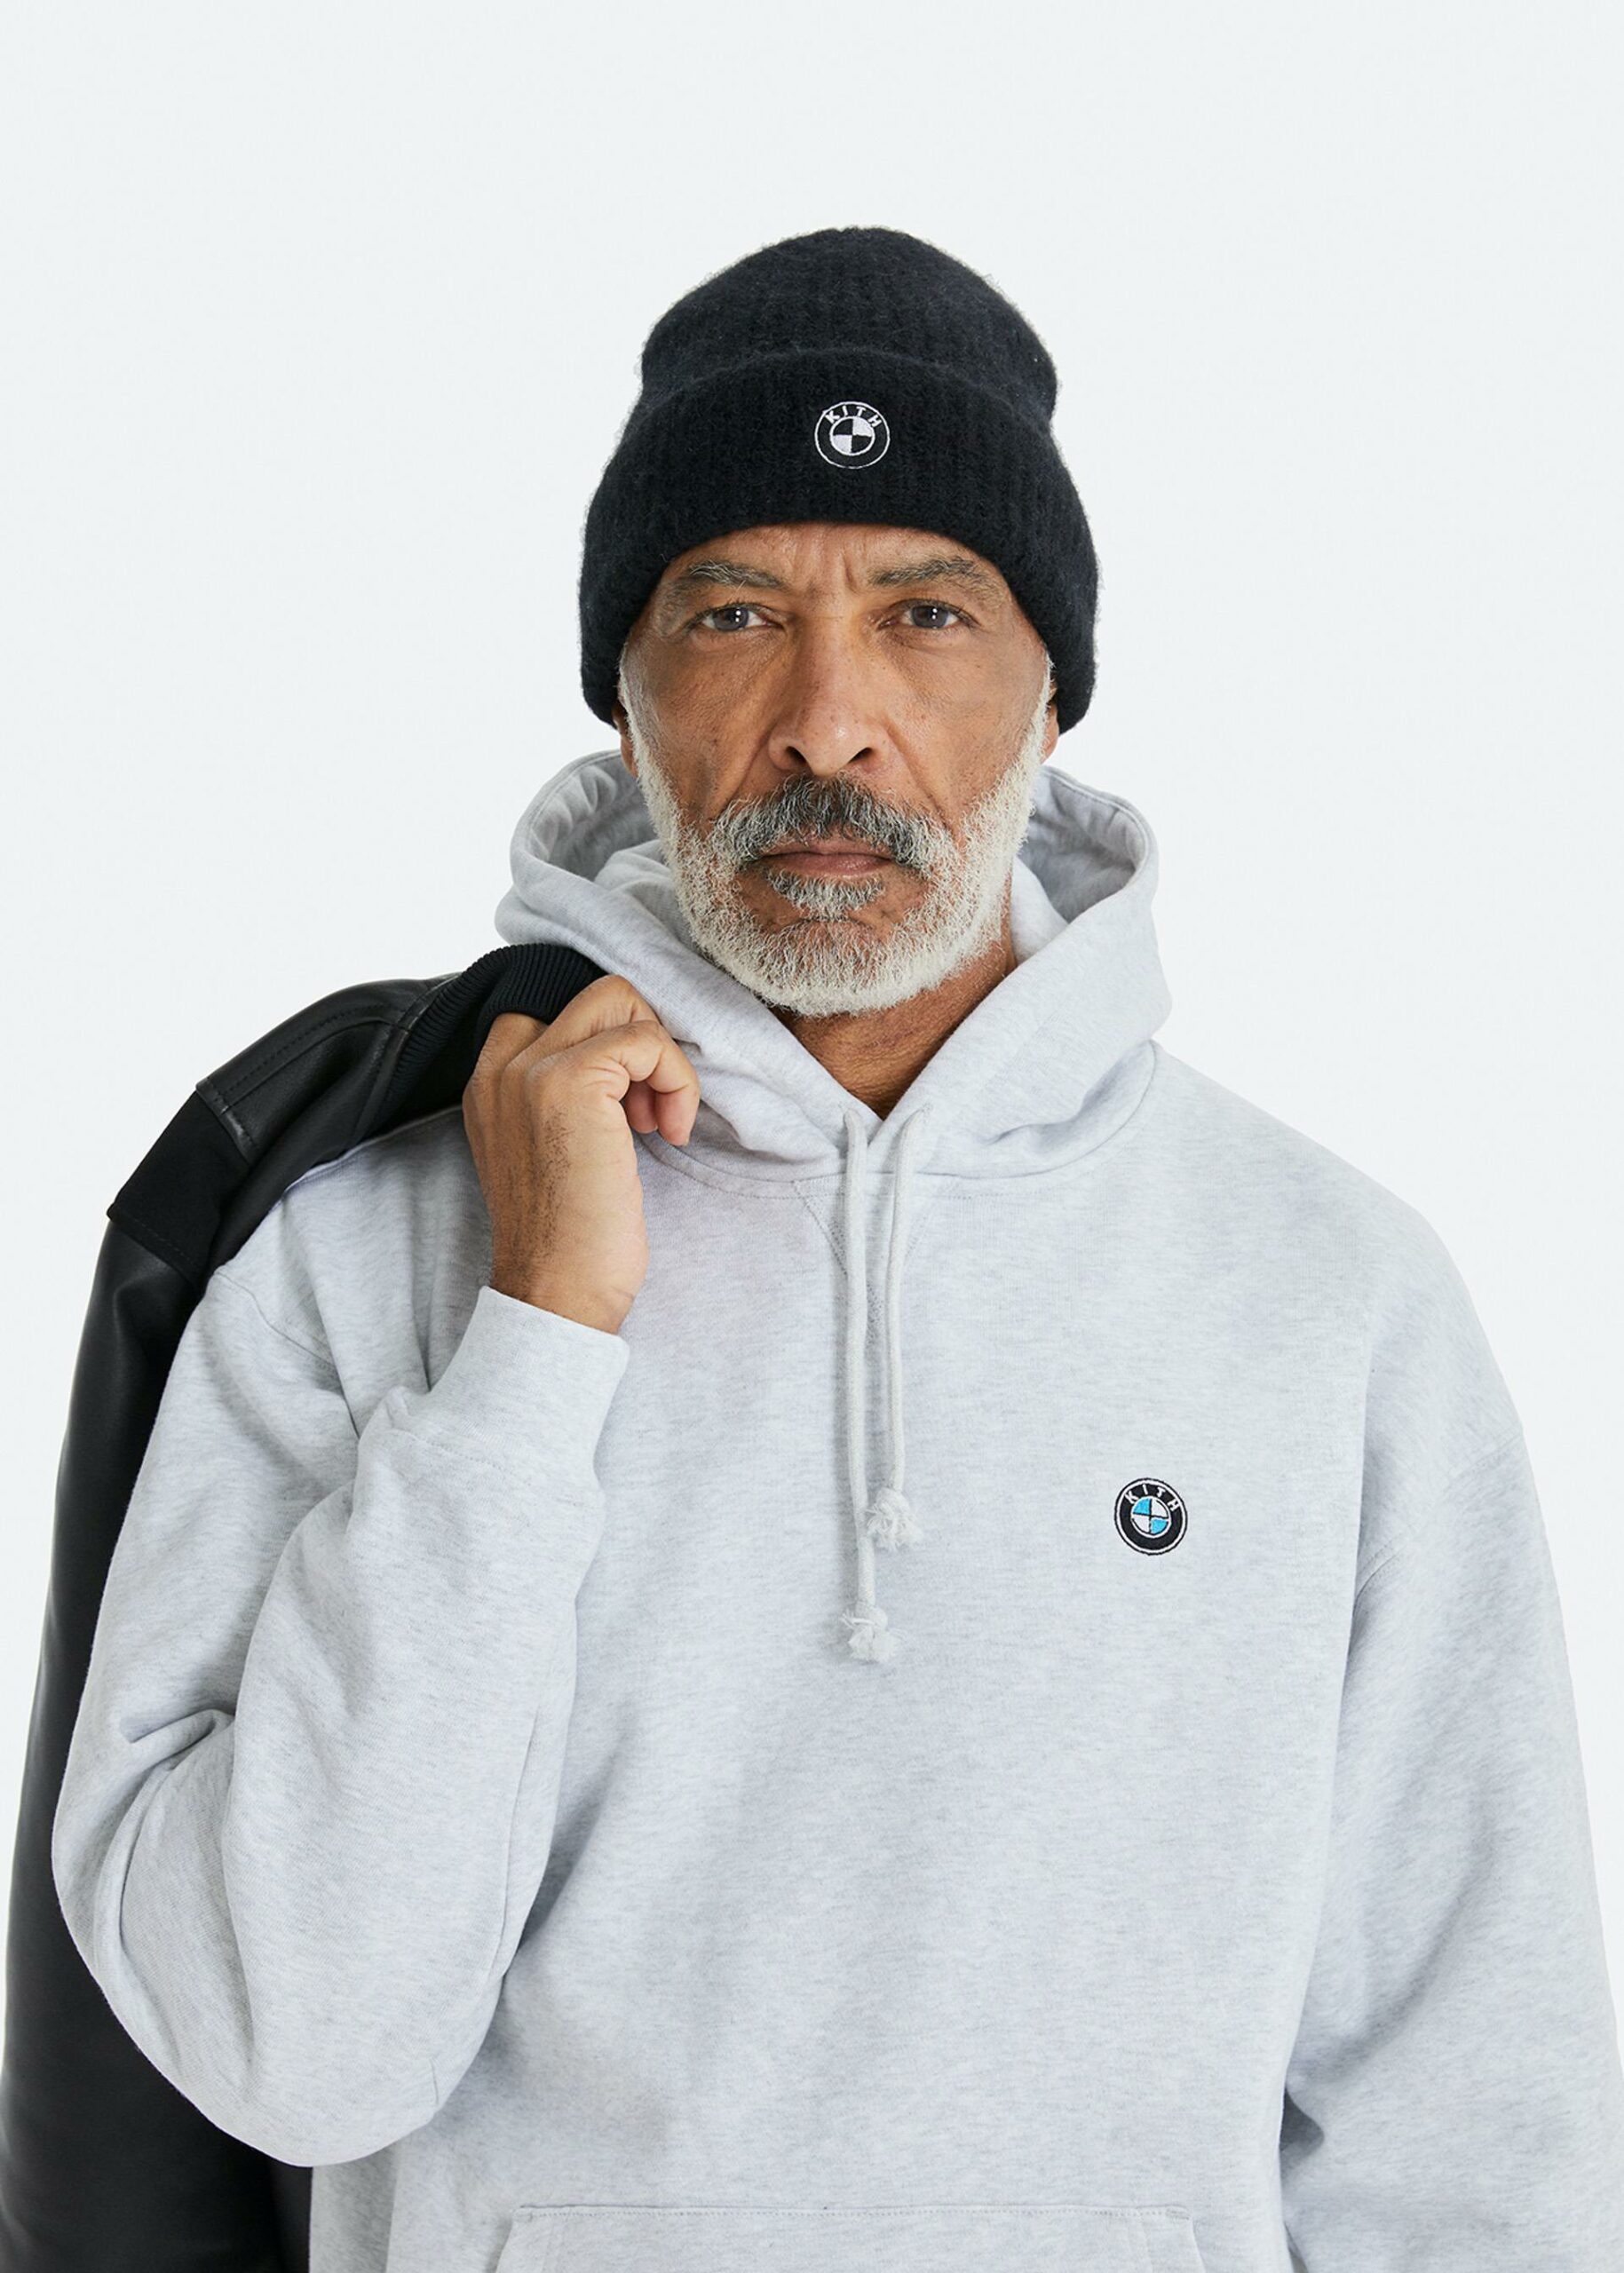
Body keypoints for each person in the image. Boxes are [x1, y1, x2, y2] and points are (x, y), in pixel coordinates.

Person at [51, 225, 1624, 2273]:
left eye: (926, 611)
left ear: (1050, 695)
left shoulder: (1327, 1295)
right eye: (732, 612)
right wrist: (532, 1344)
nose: (828, 720)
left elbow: (1476, 2117)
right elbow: (291, 2047)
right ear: (626, 700)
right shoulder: (351, 1257)